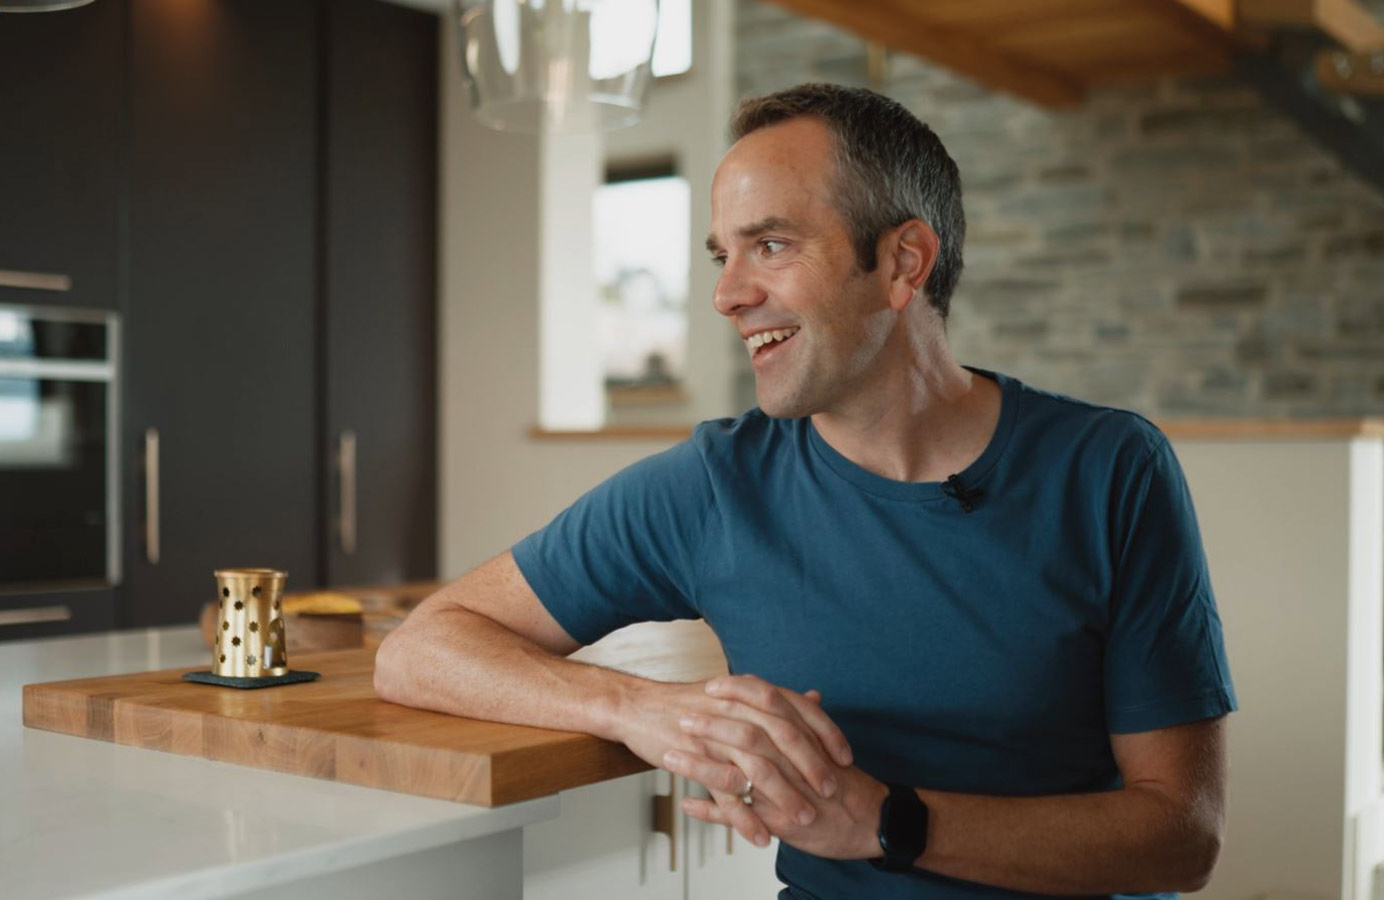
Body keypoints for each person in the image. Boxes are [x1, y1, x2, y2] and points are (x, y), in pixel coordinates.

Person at [374, 82, 1237, 899]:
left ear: (904, 262)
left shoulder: (1110, 470)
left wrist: (888, 823)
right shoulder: (715, 485)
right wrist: (640, 709)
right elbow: (421, 648)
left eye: (772, 244)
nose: (726, 293)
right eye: (724, 253)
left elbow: (1181, 831)